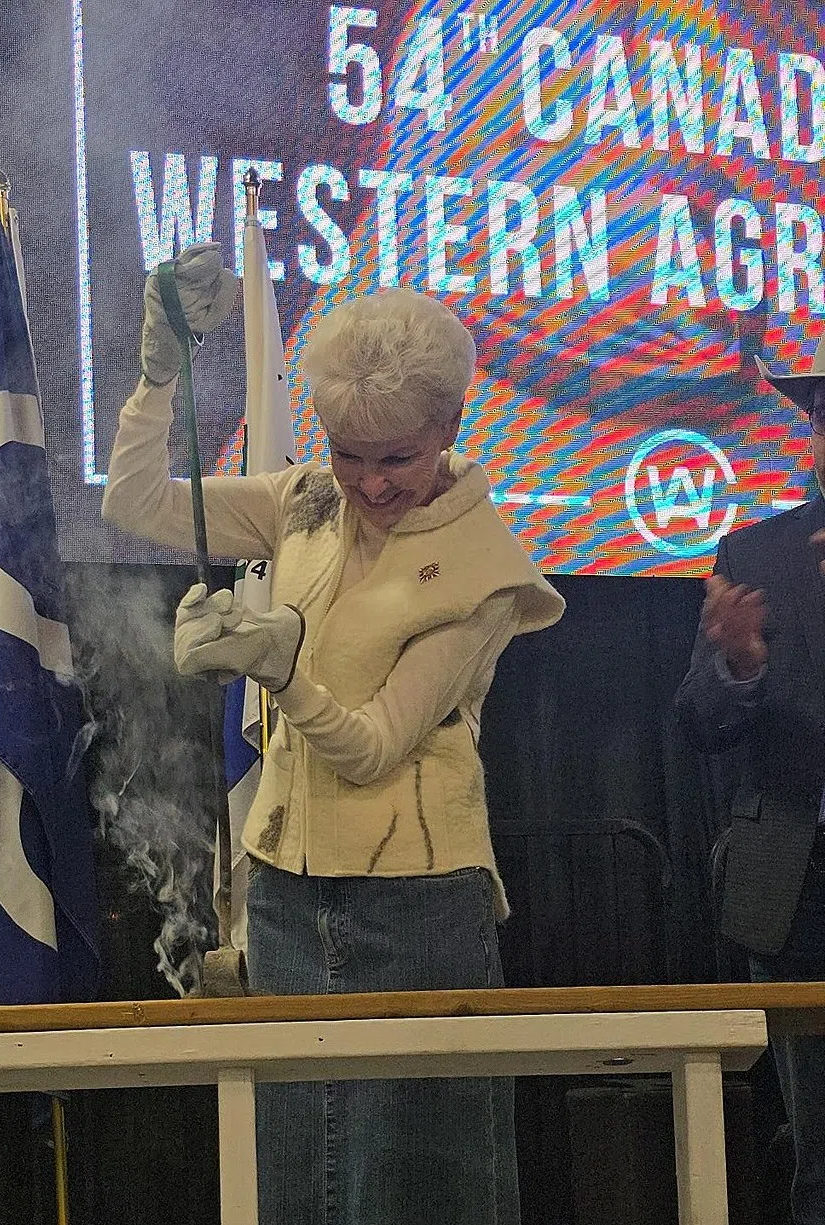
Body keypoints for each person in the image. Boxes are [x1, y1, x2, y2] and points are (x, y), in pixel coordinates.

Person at [102, 244, 565, 1225]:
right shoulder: (307, 499)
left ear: (449, 424)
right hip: (282, 897)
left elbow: (370, 748)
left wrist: (280, 668)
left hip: (418, 908)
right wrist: (159, 376)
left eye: (395, 454)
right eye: (351, 452)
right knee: (299, 1184)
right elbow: (136, 503)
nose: (371, 480)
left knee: (412, 1189)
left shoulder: (485, 567)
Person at [675, 334, 825, 1225]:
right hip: (801, 885)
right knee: (818, 1154)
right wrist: (738, 663)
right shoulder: (758, 552)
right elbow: (695, 722)